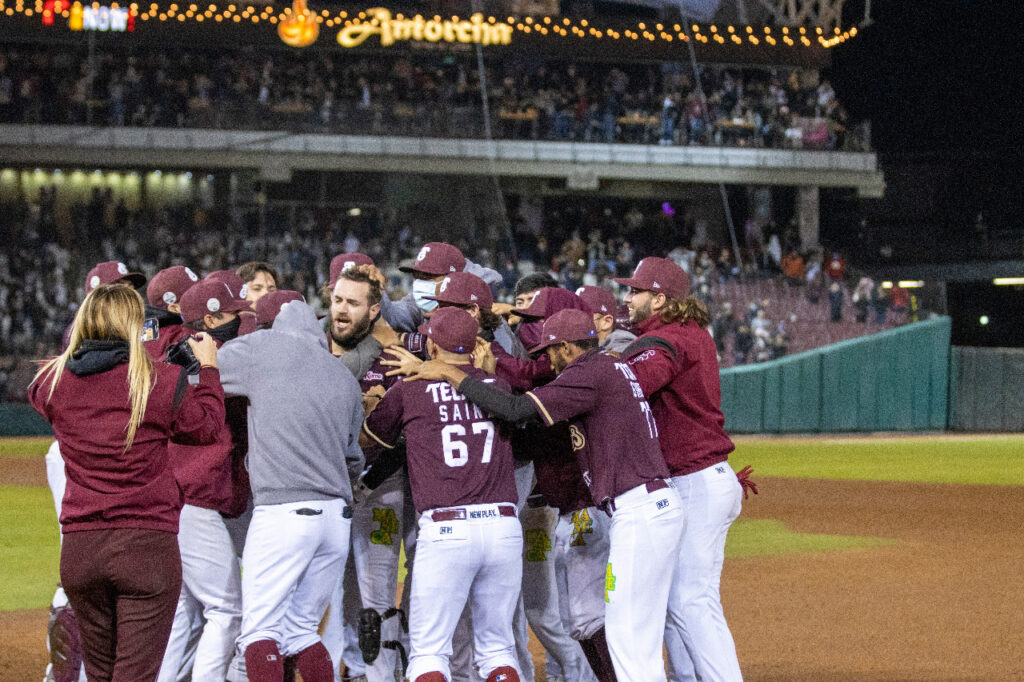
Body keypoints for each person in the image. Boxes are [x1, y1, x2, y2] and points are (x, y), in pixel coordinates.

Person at [408, 308, 685, 682]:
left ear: (568, 348)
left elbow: (518, 408)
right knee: (634, 633)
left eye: (550, 351)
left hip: (640, 509)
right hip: (648, 505)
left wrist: (452, 373)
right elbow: (528, 434)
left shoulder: (587, 373)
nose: (547, 360)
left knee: (628, 635)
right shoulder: (609, 368)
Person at [29, 284, 226, 682]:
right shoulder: (157, 381)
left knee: (100, 676)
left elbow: (54, 391)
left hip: (81, 550)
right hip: (146, 548)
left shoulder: (50, 383)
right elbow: (206, 427)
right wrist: (208, 369)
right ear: (134, 326)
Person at [363, 306, 524, 682]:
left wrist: (373, 406)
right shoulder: (497, 387)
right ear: (476, 345)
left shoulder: (411, 388)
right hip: (502, 526)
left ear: (431, 346)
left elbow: (366, 442)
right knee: (498, 650)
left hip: (447, 530)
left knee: (429, 653)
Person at [615, 257, 748, 682]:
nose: (627, 297)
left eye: (635, 291)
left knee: (692, 599)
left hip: (695, 479)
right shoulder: (691, 332)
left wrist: (601, 371)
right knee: (679, 598)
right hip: (704, 478)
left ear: (659, 298)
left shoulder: (666, 341)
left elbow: (633, 384)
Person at [217, 298, 365, 682]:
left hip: (284, 514)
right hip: (336, 519)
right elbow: (353, 458)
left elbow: (204, 370)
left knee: (260, 631)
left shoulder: (264, 348)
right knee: (301, 630)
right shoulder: (344, 376)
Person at [156, 279, 253, 682]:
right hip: (193, 502)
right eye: (234, 314)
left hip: (171, 499)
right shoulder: (218, 361)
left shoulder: (169, 359)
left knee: (184, 613)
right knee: (226, 610)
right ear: (211, 319)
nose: (243, 318)